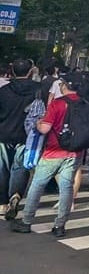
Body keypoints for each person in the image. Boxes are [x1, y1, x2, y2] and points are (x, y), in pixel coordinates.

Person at [10, 71, 89, 237]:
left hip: (54, 151)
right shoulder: (86, 104)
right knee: (66, 188)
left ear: (66, 85)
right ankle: (60, 225)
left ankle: (26, 221)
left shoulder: (58, 104)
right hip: (75, 152)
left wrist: (37, 122)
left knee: (37, 185)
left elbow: (45, 128)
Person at [0, 58, 39, 218]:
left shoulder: (3, 91)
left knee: (2, 168)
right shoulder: (39, 90)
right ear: (30, 71)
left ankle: (2, 202)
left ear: (12, 71)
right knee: (20, 167)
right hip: (27, 135)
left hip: (3, 133)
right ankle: (15, 195)